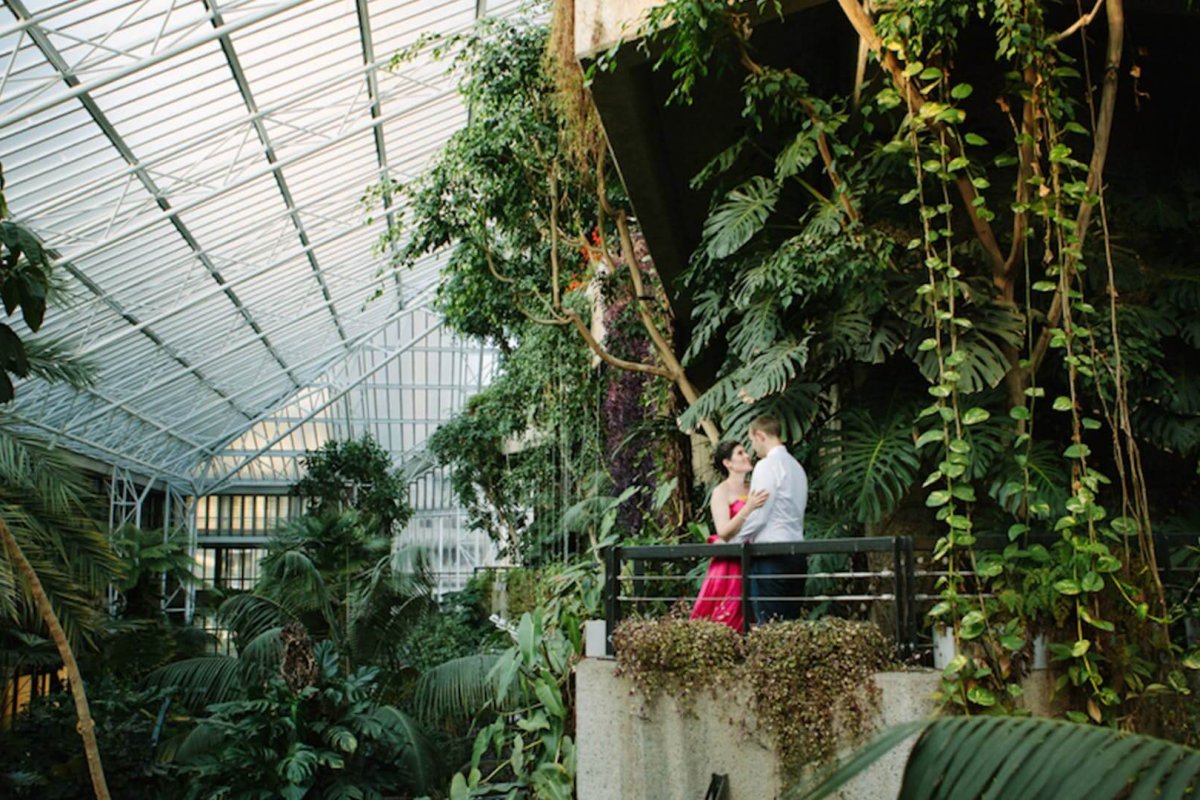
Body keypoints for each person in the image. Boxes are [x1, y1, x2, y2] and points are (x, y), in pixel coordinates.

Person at [732, 415, 808, 624]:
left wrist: (733, 542)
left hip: (771, 556)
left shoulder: (766, 466)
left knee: (769, 627)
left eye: (752, 441)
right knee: (791, 627)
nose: (753, 448)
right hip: (797, 554)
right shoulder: (797, 467)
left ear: (760, 435)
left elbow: (759, 515)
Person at [690, 441, 768, 631]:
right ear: (728, 463)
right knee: (728, 616)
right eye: (740, 453)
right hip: (730, 564)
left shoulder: (754, 487)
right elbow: (723, 531)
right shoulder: (721, 491)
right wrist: (747, 508)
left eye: (746, 452)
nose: (746, 456)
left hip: (756, 558)